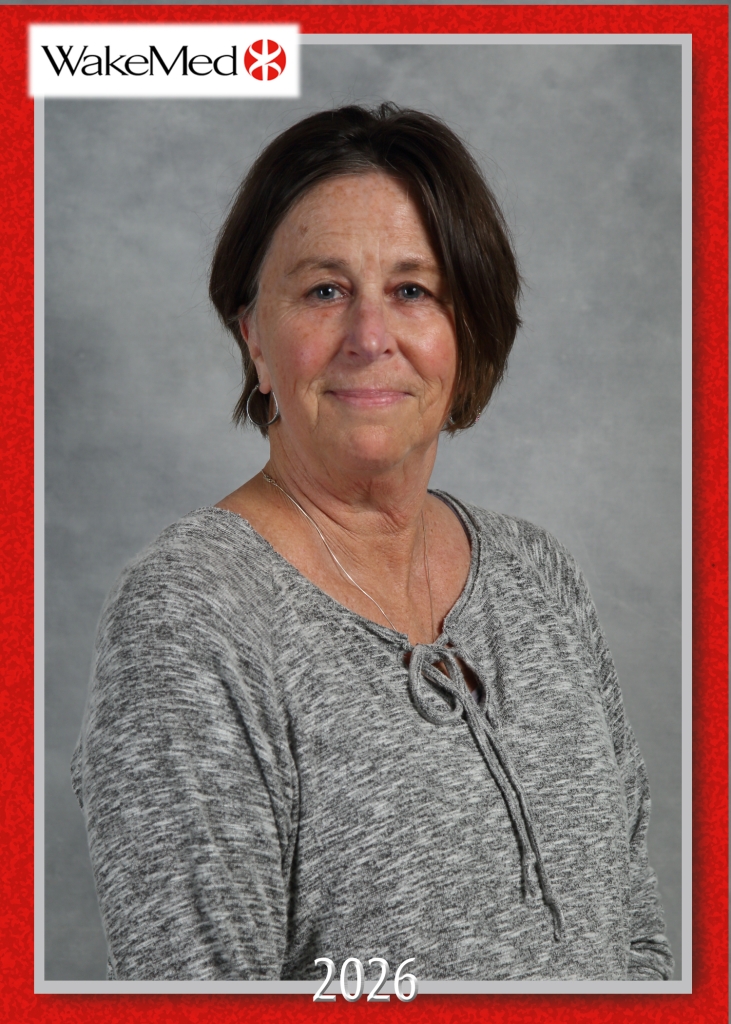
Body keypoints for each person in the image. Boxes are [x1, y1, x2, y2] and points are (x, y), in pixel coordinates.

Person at [71, 104, 674, 982]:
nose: (369, 337)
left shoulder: (536, 574)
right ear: (254, 339)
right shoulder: (191, 618)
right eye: (324, 291)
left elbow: (636, 939)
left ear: (466, 331)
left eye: (412, 290)